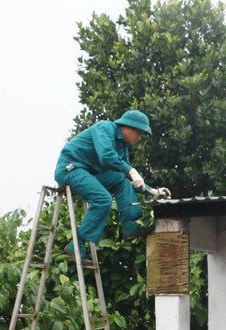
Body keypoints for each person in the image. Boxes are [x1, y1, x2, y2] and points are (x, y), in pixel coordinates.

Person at [55, 110, 170, 266]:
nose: (139, 138)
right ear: (129, 127)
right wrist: (131, 170)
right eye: (139, 133)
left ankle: (129, 226)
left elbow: (130, 178)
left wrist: (153, 192)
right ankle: (76, 244)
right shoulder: (105, 128)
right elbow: (106, 155)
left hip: (89, 174)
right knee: (103, 199)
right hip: (71, 168)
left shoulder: (122, 147)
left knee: (121, 180)